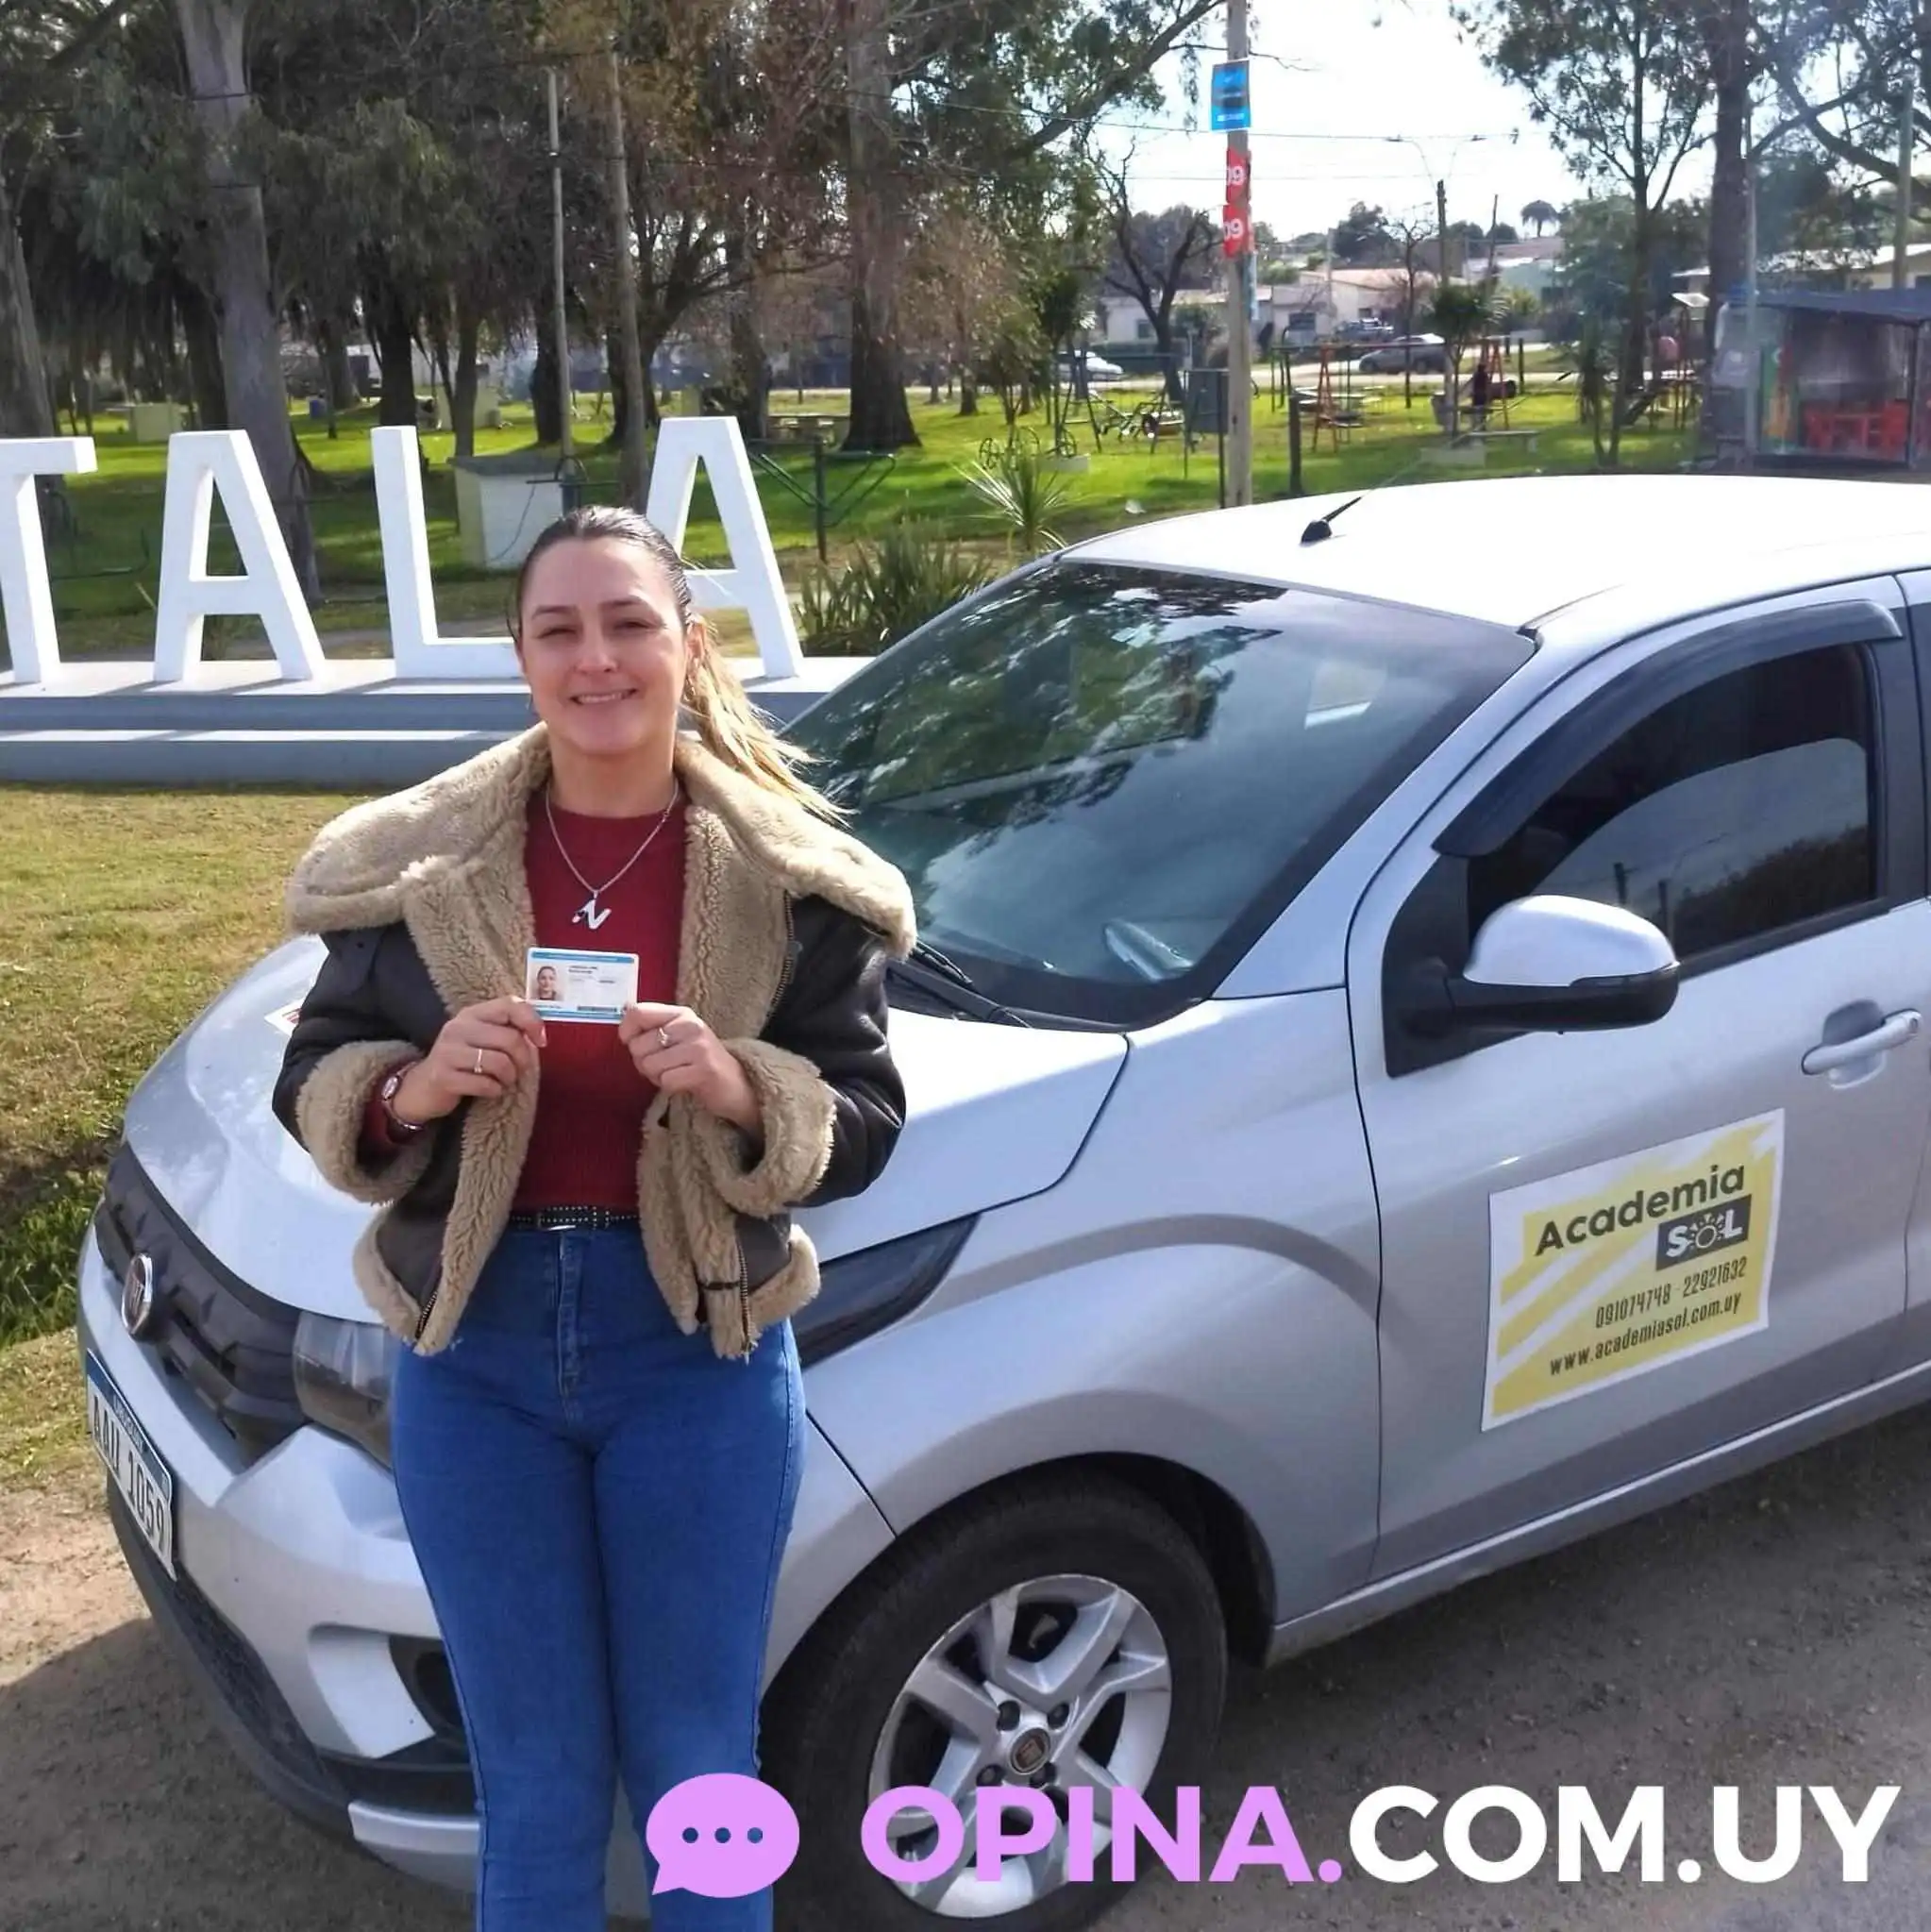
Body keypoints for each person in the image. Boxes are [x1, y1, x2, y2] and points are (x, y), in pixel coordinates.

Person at [271, 505, 913, 1932]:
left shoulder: (789, 879)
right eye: (558, 630)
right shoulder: (421, 867)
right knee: (538, 1784)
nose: (596, 658)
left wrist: (742, 1085)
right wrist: (415, 1086)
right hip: (476, 1355)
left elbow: (864, 1120)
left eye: (628, 623)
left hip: (696, 1353)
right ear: (522, 658)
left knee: (700, 1770)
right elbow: (311, 1074)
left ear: (690, 646)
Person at [1469, 354, 1492, 432]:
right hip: (1482, 395)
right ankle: (1482, 426)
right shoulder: (1485, 376)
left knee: (1476, 412)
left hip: (1476, 395)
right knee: (1483, 412)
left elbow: (1473, 385)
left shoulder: (1476, 375)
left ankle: (1476, 426)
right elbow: (1487, 385)